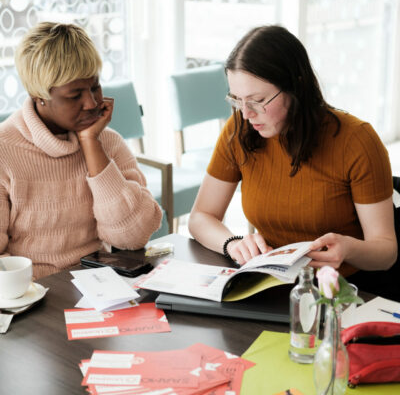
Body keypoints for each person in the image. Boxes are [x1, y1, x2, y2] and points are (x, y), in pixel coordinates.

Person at [189, 25, 399, 299]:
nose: (247, 113)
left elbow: (386, 251)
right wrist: (232, 244)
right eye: (237, 100)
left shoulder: (356, 140)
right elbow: (200, 217)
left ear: (296, 85)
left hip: (349, 291)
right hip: (275, 285)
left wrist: (348, 248)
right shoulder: (240, 129)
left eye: (259, 100)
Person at [0, 22, 162, 279]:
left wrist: (91, 145)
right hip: (33, 297)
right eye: (75, 95)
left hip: (100, 285)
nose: (92, 103)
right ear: (38, 95)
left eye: (95, 87)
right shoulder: (4, 152)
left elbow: (133, 237)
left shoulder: (107, 141)